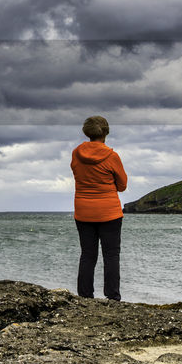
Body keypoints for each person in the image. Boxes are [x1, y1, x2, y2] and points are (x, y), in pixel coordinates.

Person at [70, 115, 128, 300]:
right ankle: (112, 298)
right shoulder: (111, 156)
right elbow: (122, 185)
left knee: (87, 255)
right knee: (111, 256)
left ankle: (85, 297)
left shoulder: (76, 153)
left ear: (87, 132)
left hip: (83, 211)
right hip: (109, 212)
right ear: (106, 132)